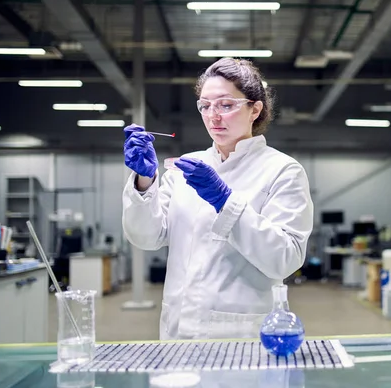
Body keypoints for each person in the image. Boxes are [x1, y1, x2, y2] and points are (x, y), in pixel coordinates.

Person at [122, 58, 314, 340]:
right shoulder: (187, 167)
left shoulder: (282, 170)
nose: (213, 116)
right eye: (205, 106)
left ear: (254, 109)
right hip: (177, 331)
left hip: (239, 335)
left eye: (226, 105)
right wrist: (144, 182)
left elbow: (285, 259)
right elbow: (146, 237)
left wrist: (226, 202)